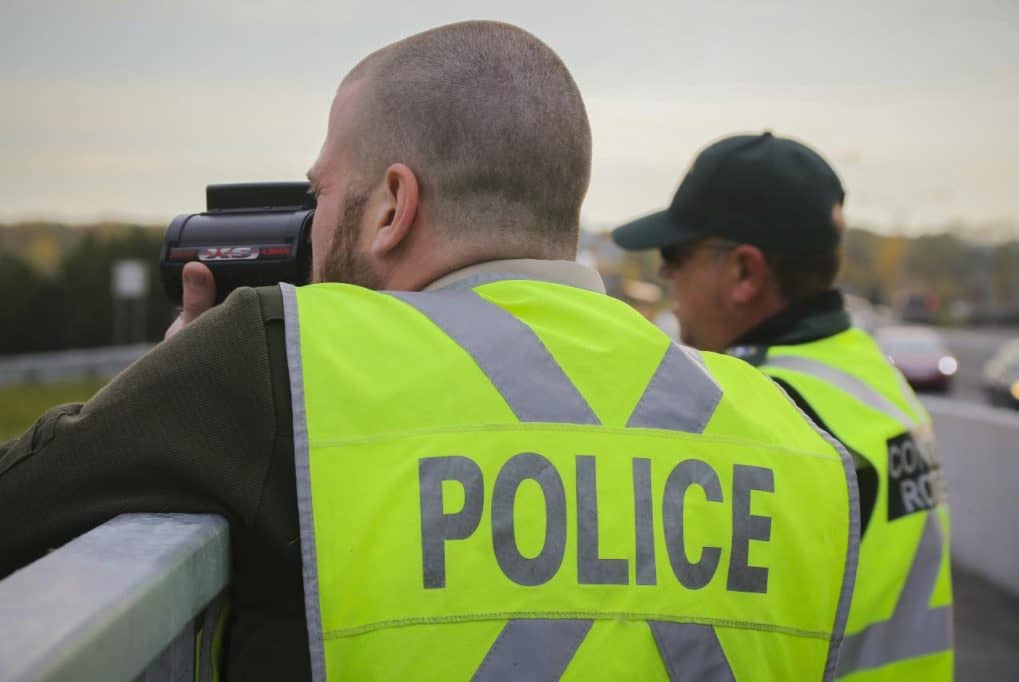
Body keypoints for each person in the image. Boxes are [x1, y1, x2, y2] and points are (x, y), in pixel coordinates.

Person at [0, 27, 859, 681]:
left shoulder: (283, 354)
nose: (311, 220)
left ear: (393, 206)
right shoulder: (798, 443)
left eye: (322, 191)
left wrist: (175, 367)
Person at [612, 131, 953, 680]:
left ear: (746, 273)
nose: (665, 274)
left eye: (675, 254)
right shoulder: (867, 375)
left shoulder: (764, 421)